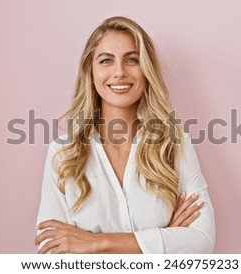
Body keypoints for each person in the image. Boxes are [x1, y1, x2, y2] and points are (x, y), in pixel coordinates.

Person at [35, 16, 215, 254]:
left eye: (132, 60)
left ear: (146, 69)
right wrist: (163, 240)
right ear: (91, 71)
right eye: (106, 60)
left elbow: (202, 240)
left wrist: (95, 243)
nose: (119, 72)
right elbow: (52, 250)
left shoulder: (174, 143)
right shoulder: (63, 152)